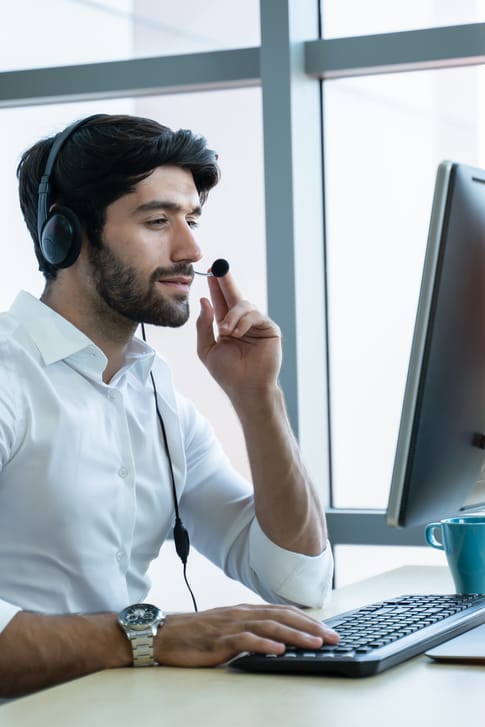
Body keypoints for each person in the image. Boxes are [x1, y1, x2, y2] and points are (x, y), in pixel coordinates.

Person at [0, 114, 338, 697]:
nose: (191, 248)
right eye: (157, 221)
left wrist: (259, 397)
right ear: (66, 235)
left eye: (192, 219)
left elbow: (298, 582)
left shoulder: (156, 398)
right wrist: (147, 638)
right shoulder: (9, 380)